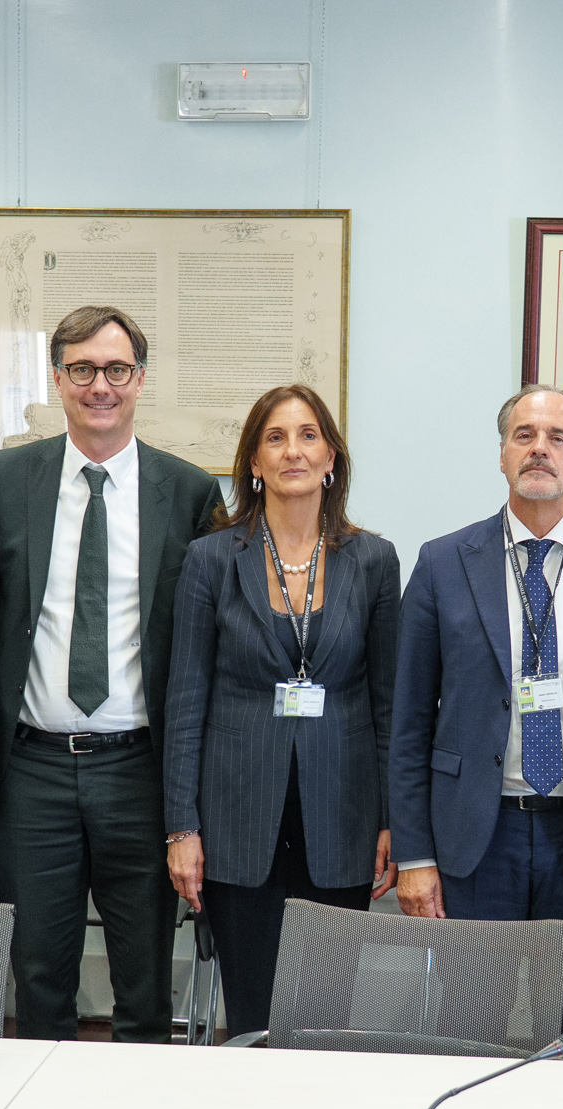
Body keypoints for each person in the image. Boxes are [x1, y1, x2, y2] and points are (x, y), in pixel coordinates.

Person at [389, 385, 563, 1060]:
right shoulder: (443, 563)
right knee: (465, 1024)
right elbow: (409, 720)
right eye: (524, 435)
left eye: (558, 438)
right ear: (503, 455)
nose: (540, 448)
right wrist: (414, 857)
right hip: (478, 836)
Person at [0, 306, 223, 1042]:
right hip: (34, 769)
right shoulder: (8, 479)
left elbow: (206, 638)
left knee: (144, 979)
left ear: (140, 380)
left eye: (117, 369)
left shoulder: (189, 492)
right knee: (38, 976)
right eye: (82, 369)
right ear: (57, 379)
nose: (100, 386)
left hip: (139, 771)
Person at [161, 385, 401, 1038]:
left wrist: (391, 818)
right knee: (252, 1016)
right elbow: (185, 701)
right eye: (275, 438)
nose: (292, 450)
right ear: (253, 463)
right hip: (236, 821)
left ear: (330, 459)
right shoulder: (211, 559)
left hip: (343, 819)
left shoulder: (374, 561)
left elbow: (388, 704)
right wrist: (181, 828)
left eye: (307, 435)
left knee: (327, 1017)